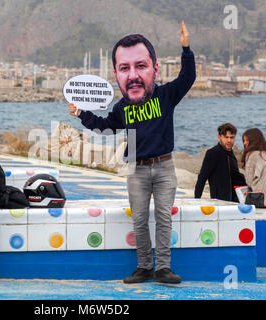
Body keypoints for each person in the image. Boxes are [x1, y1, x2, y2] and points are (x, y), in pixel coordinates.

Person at [68, 21, 196, 284]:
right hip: (136, 169)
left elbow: (187, 77)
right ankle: (144, 267)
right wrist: (81, 114)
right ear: (117, 74)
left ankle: (163, 269)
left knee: (163, 219)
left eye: (141, 66)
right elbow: (105, 128)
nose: (133, 75)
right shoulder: (121, 108)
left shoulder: (166, 95)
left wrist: (186, 48)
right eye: (125, 68)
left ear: (155, 69)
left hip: (164, 167)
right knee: (139, 220)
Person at [194, 123, 247, 202]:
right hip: (220, 202)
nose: (229, 140)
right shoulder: (213, 153)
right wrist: (196, 200)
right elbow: (202, 177)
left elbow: (235, 177)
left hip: (235, 201)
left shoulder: (231, 154)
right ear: (219, 137)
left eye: (232, 137)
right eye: (226, 137)